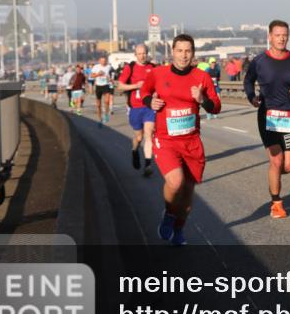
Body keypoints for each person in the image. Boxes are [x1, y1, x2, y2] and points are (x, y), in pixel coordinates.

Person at [139, 34, 221, 246]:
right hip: (166, 140)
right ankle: (168, 214)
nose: (184, 56)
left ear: (193, 53)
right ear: (172, 52)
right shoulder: (158, 73)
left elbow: (216, 106)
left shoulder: (201, 77)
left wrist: (202, 100)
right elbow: (144, 91)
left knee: (187, 192)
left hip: (192, 141)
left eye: (188, 51)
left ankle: (179, 229)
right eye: (180, 51)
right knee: (176, 182)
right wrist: (151, 102)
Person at [243, 21, 290, 219]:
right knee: (276, 159)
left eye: (285, 35)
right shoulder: (260, 61)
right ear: (270, 37)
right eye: (278, 35)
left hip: (288, 116)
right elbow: (248, 80)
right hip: (268, 116)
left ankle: (273, 175)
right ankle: (276, 203)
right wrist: (251, 96)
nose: (281, 38)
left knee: (289, 165)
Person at [115, 44, 156, 176]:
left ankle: (148, 164)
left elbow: (160, 84)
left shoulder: (153, 67)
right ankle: (134, 150)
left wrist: (156, 93)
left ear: (147, 53)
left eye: (144, 53)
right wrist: (136, 85)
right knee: (139, 137)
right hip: (135, 108)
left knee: (149, 134)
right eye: (139, 54)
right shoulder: (130, 67)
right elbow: (120, 87)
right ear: (135, 55)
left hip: (149, 107)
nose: (142, 56)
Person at [90, 56, 115, 127]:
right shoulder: (96, 67)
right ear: (99, 61)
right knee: (98, 105)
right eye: (102, 61)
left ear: (106, 61)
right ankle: (100, 119)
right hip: (98, 86)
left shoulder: (109, 67)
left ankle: (106, 114)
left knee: (107, 101)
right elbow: (91, 76)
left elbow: (112, 75)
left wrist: (111, 79)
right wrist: (98, 74)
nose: (103, 62)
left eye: (104, 61)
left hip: (106, 85)